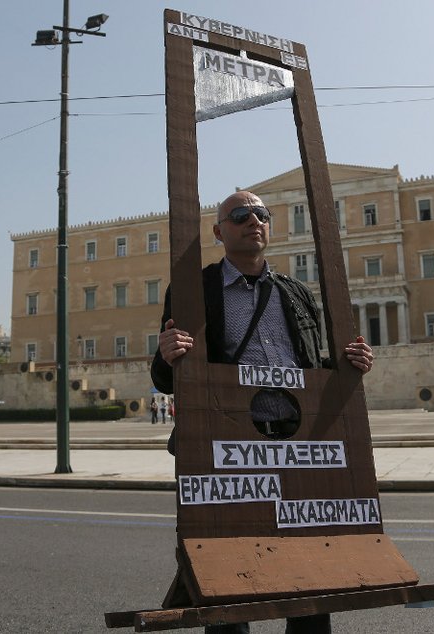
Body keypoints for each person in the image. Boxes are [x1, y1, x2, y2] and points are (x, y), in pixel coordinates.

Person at [151, 191, 373, 634]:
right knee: (231, 581)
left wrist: (349, 366)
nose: (253, 220)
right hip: (230, 451)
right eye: (239, 215)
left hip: (298, 450)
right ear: (219, 232)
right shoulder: (195, 291)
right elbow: (166, 378)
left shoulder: (295, 292)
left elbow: (313, 369)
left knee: (312, 581)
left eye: (261, 214)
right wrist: (166, 355)